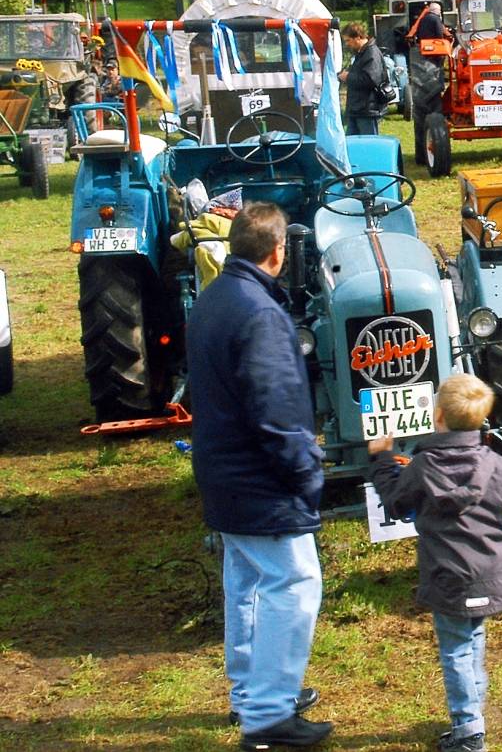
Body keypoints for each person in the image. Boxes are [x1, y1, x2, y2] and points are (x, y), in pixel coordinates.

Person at [186, 202, 331, 752]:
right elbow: (277, 411)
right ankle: (269, 717)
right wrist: (307, 475)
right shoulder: (262, 315)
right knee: (293, 585)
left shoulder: (214, 299)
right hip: (259, 480)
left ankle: (249, 694)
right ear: (277, 253)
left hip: (222, 471)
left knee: (245, 585)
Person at [366, 374, 502, 752]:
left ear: (437, 416)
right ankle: (473, 716)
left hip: (449, 579)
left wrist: (382, 458)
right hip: (492, 577)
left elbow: (396, 503)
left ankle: (469, 731)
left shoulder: (423, 467)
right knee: (472, 638)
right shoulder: (498, 465)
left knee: (457, 648)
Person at [338, 21, 385, 136]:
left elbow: (371, 80)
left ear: (358, 37)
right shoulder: (361, 53)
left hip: (367, 110)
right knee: (351, 145)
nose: (347, 44)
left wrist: (348, 77)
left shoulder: (371, 53)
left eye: (348, 40)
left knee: (369, 146)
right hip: (357, 109)